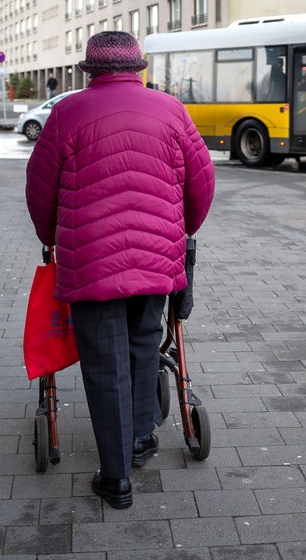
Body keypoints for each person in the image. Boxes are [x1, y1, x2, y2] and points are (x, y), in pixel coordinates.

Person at [26, 31, 216, 509]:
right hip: (156, 259)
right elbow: (202, 180)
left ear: (90, 71)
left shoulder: (67, 113)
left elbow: (40, 186)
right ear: (139, 68)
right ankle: (137, 441)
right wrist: (181, 229)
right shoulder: (170, 109)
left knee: (104, 363)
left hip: (90, 261)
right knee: (142, 347)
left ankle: (116, 479)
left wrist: (48, 235)